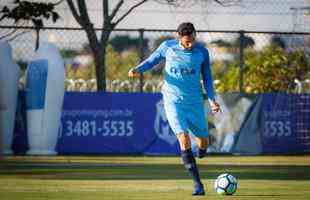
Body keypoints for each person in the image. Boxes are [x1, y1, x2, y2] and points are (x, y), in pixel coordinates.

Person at [128, 22, 221, 196]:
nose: (190, 44)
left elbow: (207, 78)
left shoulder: (202, 52)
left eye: (192, 40)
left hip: (194, 103)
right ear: (179, 38)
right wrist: (137, 69)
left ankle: (201, 151)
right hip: (173, 101)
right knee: (184, 138)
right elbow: (152, 61)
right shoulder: (167, 47)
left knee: (203, 141)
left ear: (195, 35)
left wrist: (212, 100)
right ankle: (198, 185)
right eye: (187, 42)